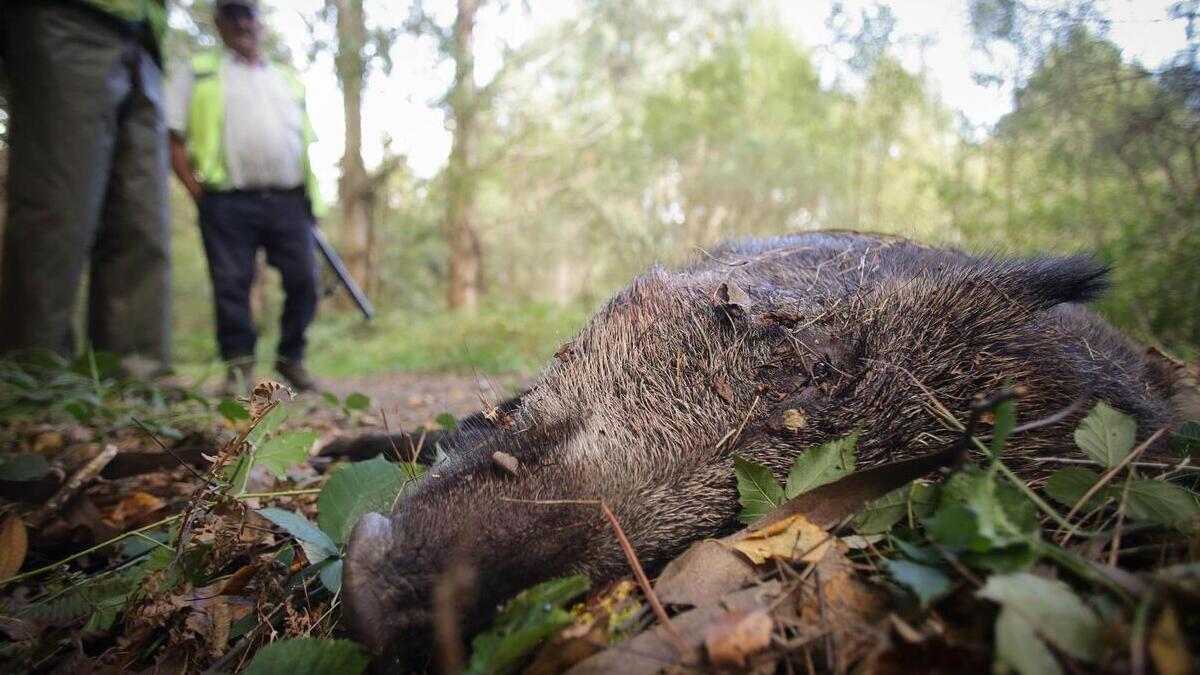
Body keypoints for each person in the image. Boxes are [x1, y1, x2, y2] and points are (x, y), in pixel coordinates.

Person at [0, 0, 171, 375]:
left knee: (142, 226)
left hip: (146, 36)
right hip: (65, 16)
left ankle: (136, 382)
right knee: (57, 207)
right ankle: (35, 380)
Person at [165, 0, 323, 393]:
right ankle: (238, 369)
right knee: (231, 284)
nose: (242, 23)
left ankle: (292, 360)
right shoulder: (198, 72)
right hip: (227, 200)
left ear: (259, 20)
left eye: (248, 14)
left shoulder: (286, 78)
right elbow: (173, 136)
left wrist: (311, 202)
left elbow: (303, 144)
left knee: (305, 279)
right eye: (232, 15)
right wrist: (197, 192)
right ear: (218, 23)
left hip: (289, 200)